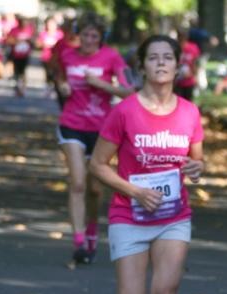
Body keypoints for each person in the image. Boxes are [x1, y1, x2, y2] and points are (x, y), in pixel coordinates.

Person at [88, 34, 205, 294]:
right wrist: (135, 191)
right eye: (152, 58)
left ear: (177, 65)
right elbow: (97, 165)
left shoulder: (189, 112)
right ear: (141, 67)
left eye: (167, 57)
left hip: (173, 215)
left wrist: (197, 168)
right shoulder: (124, 111)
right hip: (130, 214)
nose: (160, 63)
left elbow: (197, 160)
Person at [55, 12, 133, 264]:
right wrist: (62, 87)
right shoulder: (67, 55)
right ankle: (78, 240)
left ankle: (91, 228)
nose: (88, 40)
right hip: (71, 125)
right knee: (77, 182)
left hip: (102, 130)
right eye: (85, 35)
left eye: (94, 36)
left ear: (101, 38)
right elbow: (59, 76)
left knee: (95, 189)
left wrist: (101, 84)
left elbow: (128, 91)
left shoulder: (112, 57)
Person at [5, 15, 35, 97]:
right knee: (16, 72)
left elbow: (34, 41)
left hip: (25, 54)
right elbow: (8, 40)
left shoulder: (30, 30)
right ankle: (17, 87)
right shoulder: (14, 30)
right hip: (16, 54)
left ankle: (23, 88)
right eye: (22, 22)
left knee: (23, 72)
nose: (24, 24)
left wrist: (29, 41)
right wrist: (17, 40)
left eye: (25, 22)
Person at [174, 28, 201, 101]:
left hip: (189, 81)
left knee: (188, 101)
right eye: (180, 36)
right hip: (177, 82)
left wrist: (195, 76)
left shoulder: (193, 47)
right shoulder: (174, 48)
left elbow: (195, 63)